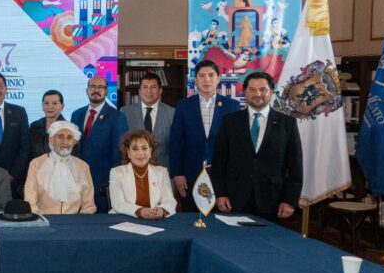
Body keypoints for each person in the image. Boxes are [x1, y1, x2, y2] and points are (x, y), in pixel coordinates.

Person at [211, 71, 304, 222]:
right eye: (252, 89)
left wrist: (290, 200)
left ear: (271, 92)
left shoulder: (287, 124)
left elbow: (295, 166)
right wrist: (220, 193)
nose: (257, 94)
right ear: (245, 92)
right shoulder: (230, 122)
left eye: (263, 89)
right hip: (235, 198)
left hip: (273, 200)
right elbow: (219, 162)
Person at [168, 60, 241, 211]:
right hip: (190, 175)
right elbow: (175, 141)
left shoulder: (232, 106)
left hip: (222, 176)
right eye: (201, 76)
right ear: (195, 80)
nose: (206, 79)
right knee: (192, 218)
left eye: (211, 75)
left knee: (220, 219)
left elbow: (236, 145)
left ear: (218, 78)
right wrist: (177, 173)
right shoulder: (183, 105)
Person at [70, 75, 121, 213]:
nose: (96, 90)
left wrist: (112, 183)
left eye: (101, 87)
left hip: (102, 184)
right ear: (87, 90)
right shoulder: (76, 114)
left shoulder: (117, 117)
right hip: (77, 182)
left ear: (106, 92)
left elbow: (118, 153)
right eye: (92, 86)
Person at [24, 121, 95, 215]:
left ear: (74, 142)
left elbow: (88, 206)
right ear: (51, 140)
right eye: (60, 137)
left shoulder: (83, 166)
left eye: (69, 138)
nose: (65, 142)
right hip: (44, 219)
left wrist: (82, 222)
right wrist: (38, 220)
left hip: (73, 221)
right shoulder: (36, 164)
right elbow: (30, 202)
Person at [109, 129, 177, 219]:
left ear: (150, 151)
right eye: (135, 149)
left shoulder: (162, 172)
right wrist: (140, 211)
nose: (140, 153)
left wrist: (162, 210)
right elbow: (117, 203)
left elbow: (170, 200)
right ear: (128, 152)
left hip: (154, 220)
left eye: (144, 148)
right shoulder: (116, 172)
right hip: (124, 220)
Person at [115, 73, 175, 168]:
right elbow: (121, 144)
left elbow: (176, 145)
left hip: (164, 169)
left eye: (153, 87)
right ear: (139, 91)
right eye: (145, 87)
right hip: (133, 169)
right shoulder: (125, 112)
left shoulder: (172, 113)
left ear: (160, 91)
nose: (149, 91)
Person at [28, 89, 68, 159]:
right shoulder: (34, 126)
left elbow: (73, 158)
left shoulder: (69, 129)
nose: (50, 107)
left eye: (54, 103)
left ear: (62, 107)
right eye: (46, 103)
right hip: (36, 165)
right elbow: (29, 152)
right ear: (42, 106)